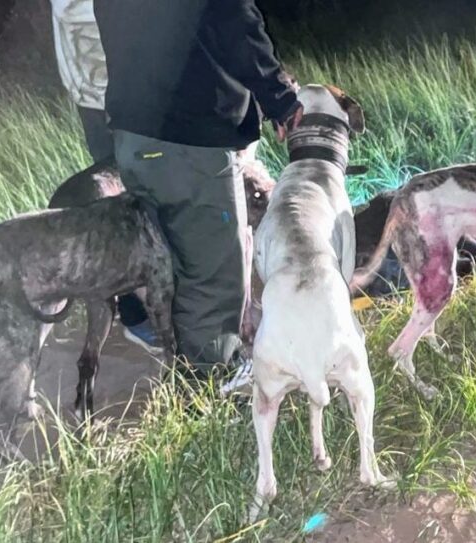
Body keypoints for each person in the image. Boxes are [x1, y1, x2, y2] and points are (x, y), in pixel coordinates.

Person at [93, 0, 303, 386]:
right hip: (191, 141)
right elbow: (236, 24)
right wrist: (281, 99)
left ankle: (184, 373)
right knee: (213, 276)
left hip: (133, 137)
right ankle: (210, 383)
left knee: (172, 264)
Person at [50, 0, 166, 354]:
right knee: (128, 205)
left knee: (141, 198)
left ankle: (144, 306)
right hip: (105, 95)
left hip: (117, 89)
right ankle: (136, 315)